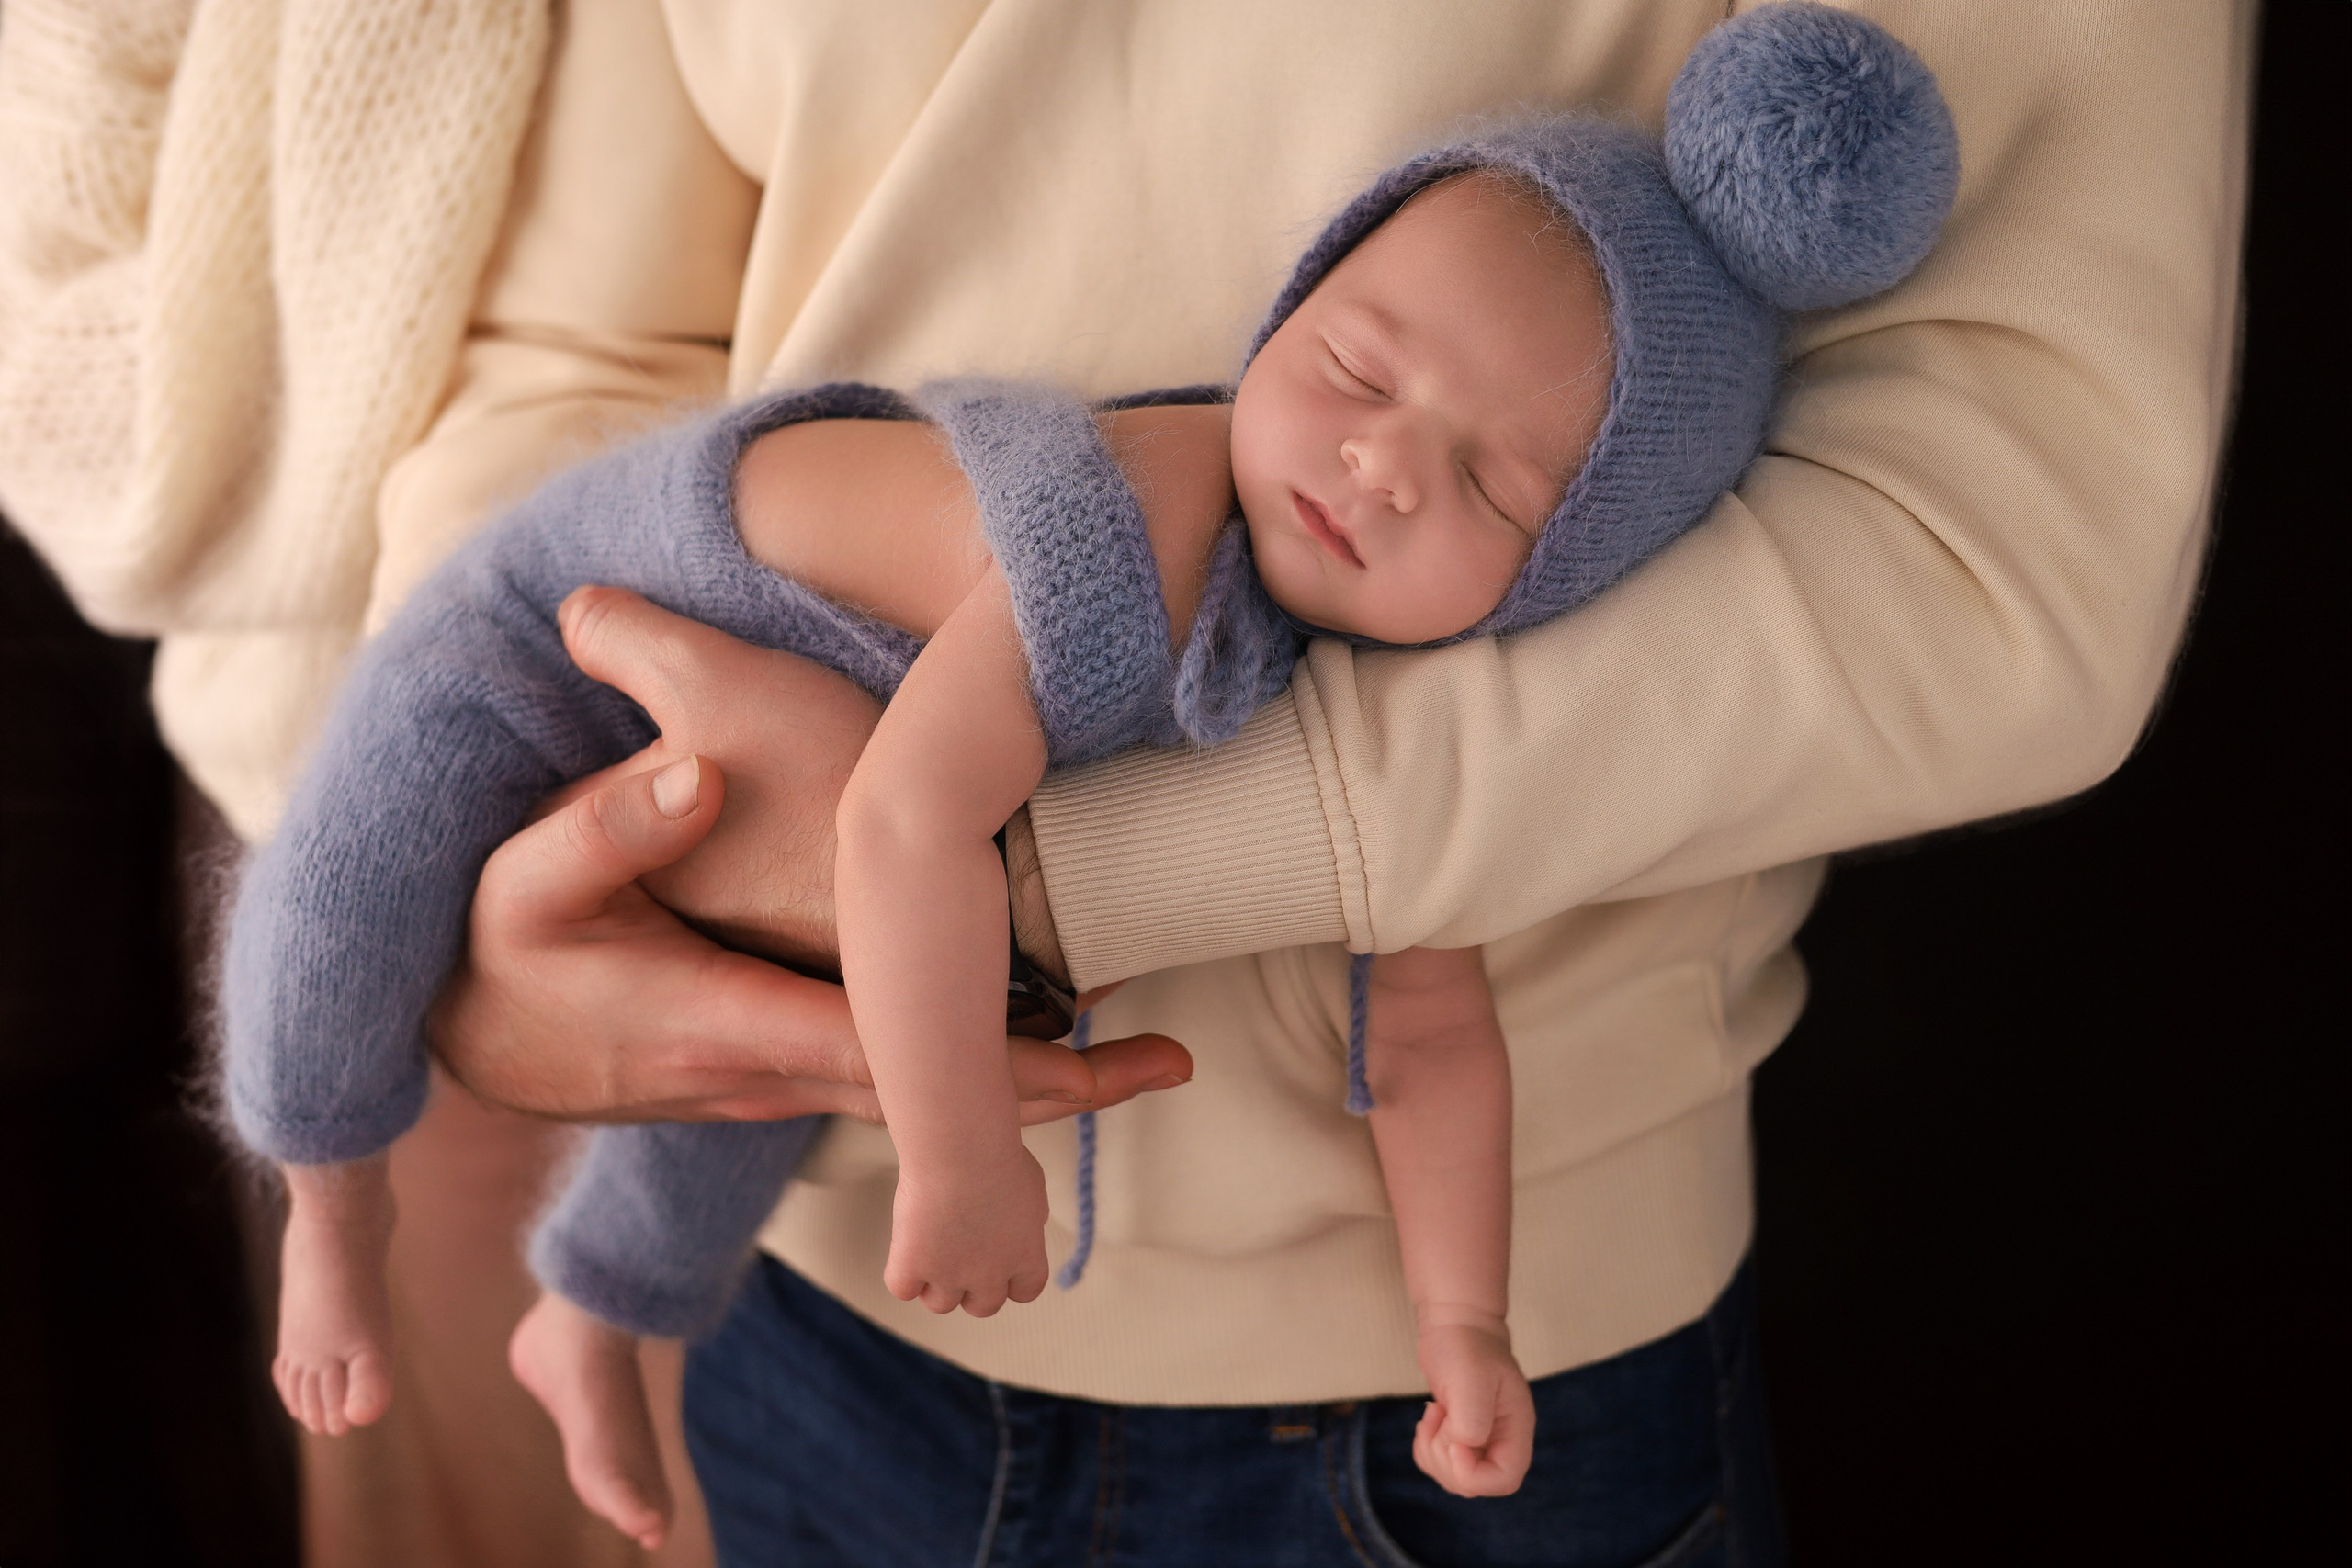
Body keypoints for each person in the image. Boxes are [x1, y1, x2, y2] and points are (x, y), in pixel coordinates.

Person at [0, 2, 2249, 1564]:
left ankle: (597, 1309)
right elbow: (642, 459)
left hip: (1432, 1404)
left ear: (1557, 559)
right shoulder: (1120, 550)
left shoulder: (1322, 629)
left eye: (1486, 484)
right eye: (1359, 372)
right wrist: (584, 886)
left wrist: (1459, 1315)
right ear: (1296, 305)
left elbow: (1988, 554)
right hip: (759, 1091)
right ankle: (400, 1235)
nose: (1377, 467)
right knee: (343, 916)